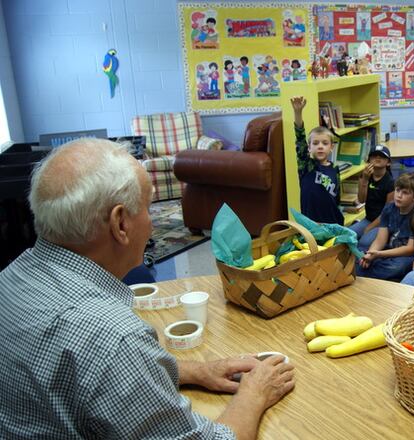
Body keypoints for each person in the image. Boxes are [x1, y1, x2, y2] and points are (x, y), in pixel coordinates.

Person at [0, 139, 294, 439]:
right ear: (121, 225)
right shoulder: (115, 338)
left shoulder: (10, 277)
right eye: (146, 208)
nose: (152, 224)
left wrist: (195, 371)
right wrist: (254, 395)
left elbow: (80, 380)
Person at [357, 173, 414, 280]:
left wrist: (378, 254)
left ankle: (366, 274)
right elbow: (380, 240)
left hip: (407, 256)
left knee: (396, 267)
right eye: (397, 190)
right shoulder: (389, 208)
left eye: (405, 193)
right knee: (360, 257)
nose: (399, 195)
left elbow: (410, 249)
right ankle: (373, 273)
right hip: (389, 250)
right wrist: (370, 254)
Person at [291, 96, 343, 225]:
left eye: (325, 143)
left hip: (332, 223)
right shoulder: (307, 166)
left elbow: (337, 198)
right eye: (315, 143)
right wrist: (298, 112)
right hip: (311, 224)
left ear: (331, 147)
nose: (320, 146)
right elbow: (300, 138)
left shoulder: (334, 169)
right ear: (309, 148)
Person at [351, 145, 394, 241]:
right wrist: (365, 179)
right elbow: (361, 200)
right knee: (346, 235)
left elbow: (387, 213)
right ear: (368, 160)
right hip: (368, 219)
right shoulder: (364, 176)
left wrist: (369, 228)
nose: (377, 158)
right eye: (374, 156)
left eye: (382, 156)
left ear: (388, 162)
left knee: (364, 242)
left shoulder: (391, 183)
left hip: (384, 223)